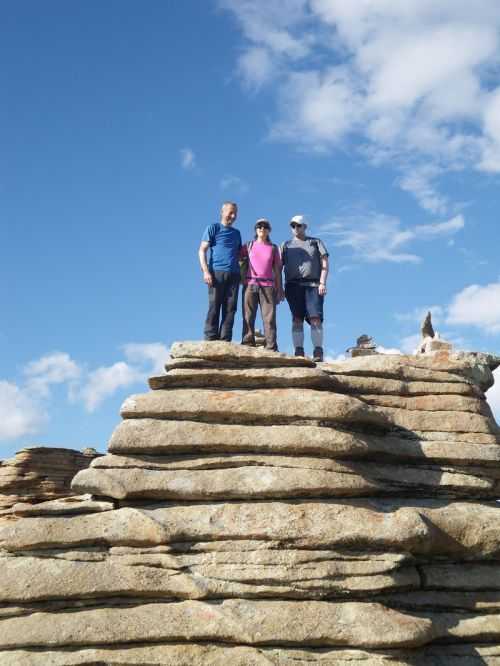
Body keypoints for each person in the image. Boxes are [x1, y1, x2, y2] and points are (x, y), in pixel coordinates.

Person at [281, 215, 329, 362]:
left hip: (313, 285)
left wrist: (322, 283)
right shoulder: (286, 245)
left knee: (315, 319)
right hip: (293, 285)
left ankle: (318, 352)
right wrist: (279, 287)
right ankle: (299, 352)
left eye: (298, 225)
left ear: (305, 226)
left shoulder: (315, 242)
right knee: (296, 319)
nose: (295, 228)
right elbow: (278, 267)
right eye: (293, 225)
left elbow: (325, 264)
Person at [199, 202, 242, 341]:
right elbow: (201, 251)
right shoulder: (213, 228)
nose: (233, 216)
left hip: (234, 274)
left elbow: (239, 255)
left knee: (230, 308)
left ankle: (225, 338)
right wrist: (206, 272)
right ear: (222, 212)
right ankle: (210, 337)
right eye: (230, 212)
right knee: (214, 305)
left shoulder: (237, 233)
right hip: (216, 272)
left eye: (235, 213)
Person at [240, 218, 283, 351]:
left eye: (265, 226)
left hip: (268, 286)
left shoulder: (273, 248)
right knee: (248, 316)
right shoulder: (248, 245)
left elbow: (277, 269)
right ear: (255, 229)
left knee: (269, 318)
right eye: (259, 226)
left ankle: (271, 346)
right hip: (250, 283)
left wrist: (280, 288)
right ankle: (248, 343)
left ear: (269, 230)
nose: (262, 229)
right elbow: (237, 259)